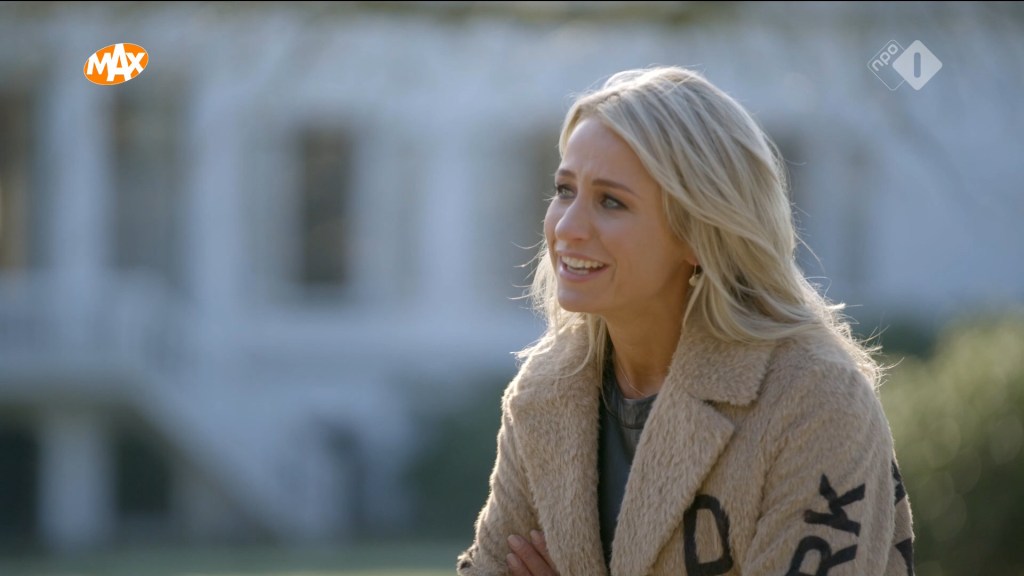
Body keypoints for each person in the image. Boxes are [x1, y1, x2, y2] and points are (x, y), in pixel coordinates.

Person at [456, 66, 914, 576]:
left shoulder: (814, 400)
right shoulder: (545, 391)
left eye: (611, 201)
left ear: (699, 233)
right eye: (565, 190)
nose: (567, 227)